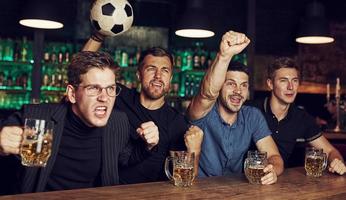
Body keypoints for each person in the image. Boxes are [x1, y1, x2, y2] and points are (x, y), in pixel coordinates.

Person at [0, 51, 159, 193]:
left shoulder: (117, 121)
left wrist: (147, 144)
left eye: (110, 88)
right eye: (94, 88)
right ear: (72, 94)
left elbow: (125, 157)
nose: (104, 97)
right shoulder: (37, 118)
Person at [82, 34, 203, 184]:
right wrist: (98, 36)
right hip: (108, 189)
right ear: (139, 74)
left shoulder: (176, 122)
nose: (158, 76)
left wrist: (195, 151)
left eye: (165, 70)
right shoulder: (117, 96)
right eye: (151, 69)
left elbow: (185, 179)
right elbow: (82, 71)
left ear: (170, 78)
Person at [187, 30, 284, 185]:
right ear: (220, 85)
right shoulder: (203, 112)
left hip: (237, 192)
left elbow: (275, 157)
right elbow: (207, 94)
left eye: (243, 85)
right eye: (231, 84)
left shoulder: (252, 116)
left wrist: (272, 169)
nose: (238, 91)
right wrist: (224, 56)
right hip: (199, 191)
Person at [255, 57, 345, 175]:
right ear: (270, 84)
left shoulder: (301, 117)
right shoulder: (252, 110)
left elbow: (330, 151)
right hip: (245, 181)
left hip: (282, 184)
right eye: (283, 80)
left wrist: (336, 162)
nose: (290, 87)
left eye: (295, 80)